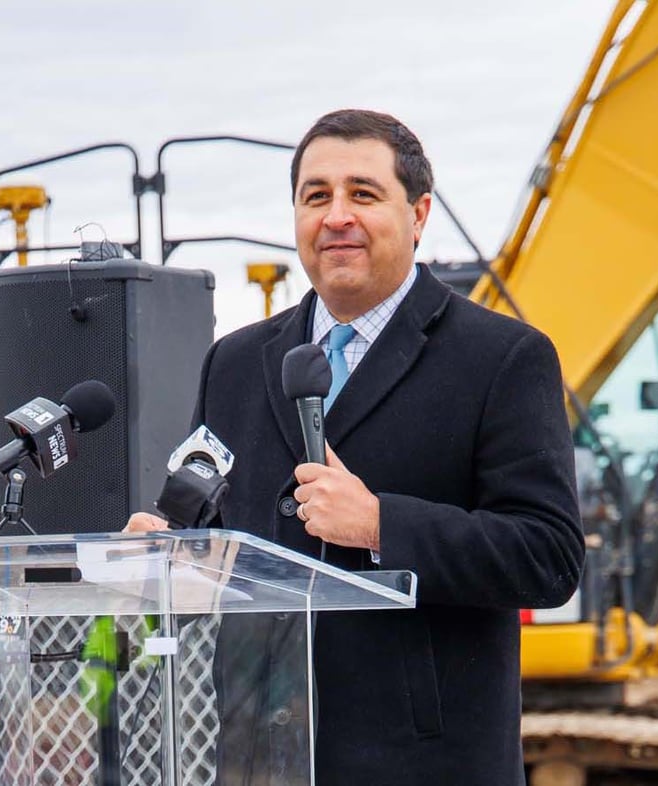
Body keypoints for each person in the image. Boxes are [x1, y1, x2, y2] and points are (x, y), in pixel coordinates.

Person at [127, 108, 584, 785]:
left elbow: (548, 557)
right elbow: (220, 536)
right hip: (263, 758)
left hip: (425, 764)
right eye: (316, 196)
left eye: (362, 194)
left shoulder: (502, 358)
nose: (336, 215)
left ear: (419, 213)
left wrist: (380, 523)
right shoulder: (235, 362)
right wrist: (172, 555)